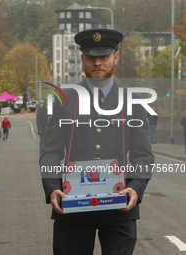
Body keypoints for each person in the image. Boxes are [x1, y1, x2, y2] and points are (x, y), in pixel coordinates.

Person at [39, 28, 154, 255]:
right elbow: (50, 151)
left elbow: (143, 155)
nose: (98, 63)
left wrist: (137, 187)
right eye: (91, 57)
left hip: (120, 207)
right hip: (73, 206)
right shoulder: (65, 99)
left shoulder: (134, 101)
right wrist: (52, 187)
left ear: (116, 57)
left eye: (104, 57)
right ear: (82, 58)